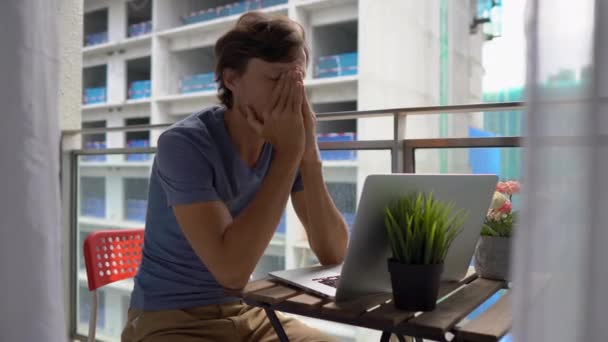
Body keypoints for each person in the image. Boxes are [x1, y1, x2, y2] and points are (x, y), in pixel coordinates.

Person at [121, 11, 349, 342]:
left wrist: (308, 152)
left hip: (248, 311)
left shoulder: (286, 142)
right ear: (232, 80)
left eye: (297, 80)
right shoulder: (183, 144)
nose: (292, 93)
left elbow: (335, 255)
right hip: (170, 319)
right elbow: (230, 272)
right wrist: (289, 155)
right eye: (275, 79)